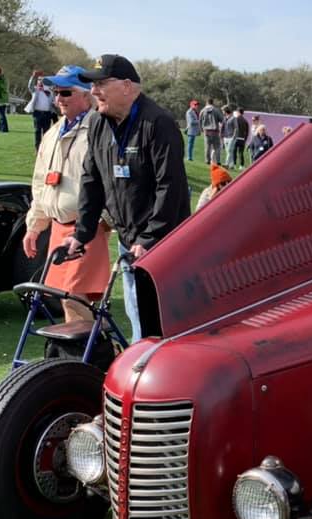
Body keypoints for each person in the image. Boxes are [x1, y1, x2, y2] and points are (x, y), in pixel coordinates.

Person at [72, 54, 190, 343]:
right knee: (137, 311)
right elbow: (91, 179)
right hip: (128, 240)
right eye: (92, 85)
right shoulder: (99, 123)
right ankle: (141, 368)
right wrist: (82, 233)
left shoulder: (158, 123)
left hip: (164, 243)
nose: (94, 91)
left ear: (127, 86)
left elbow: (170, 186)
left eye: (101, 84)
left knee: (161, 318)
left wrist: (150, 238)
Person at [23, 66, 110, 324]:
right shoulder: (51, 133)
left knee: (74, 296)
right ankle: (101, 353)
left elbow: (110, 184)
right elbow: (41, 183)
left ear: (86, 96)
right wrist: (35, 226)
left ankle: (86, 358)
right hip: (59, 228)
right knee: (68, 297)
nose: (58, 98)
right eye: (55, 92)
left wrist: (100, 221)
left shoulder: (99, 130)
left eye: (65, 92)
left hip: (86, 226)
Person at [27, 71, 55, 150]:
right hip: (37, 113)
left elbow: (53, 100)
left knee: (46, 132)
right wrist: (33, 76)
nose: (40, 81)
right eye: (39, 79)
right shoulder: (35, 89)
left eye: (42, 79)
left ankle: (45, 148)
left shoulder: (50, 91)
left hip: (47, 114)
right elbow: (30, 86)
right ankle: (37, 148)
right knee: (37, 131)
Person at [199, 98, 221, 164]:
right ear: (212, 103)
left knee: (207, 147)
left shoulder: (202, 110)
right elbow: (221, 119)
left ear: (206, 103)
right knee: (217, 147)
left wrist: (201, 130)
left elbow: (200, 121)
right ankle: (218, 161)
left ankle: (207, 160)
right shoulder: (216, 110)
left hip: (206, 131)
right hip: (215, 131)